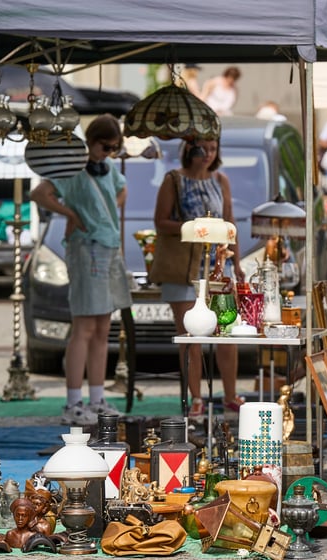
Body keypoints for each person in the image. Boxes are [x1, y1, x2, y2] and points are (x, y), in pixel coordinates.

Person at [30, 114, 131, 426]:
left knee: (102, 328)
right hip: (85, 249)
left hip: (107, 247)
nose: (109, 152)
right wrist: (70, 212)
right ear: (91, 141)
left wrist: (105, 211)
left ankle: (97, 398)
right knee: (83, 327)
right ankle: (73, 402)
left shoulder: (108, 168)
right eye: (105, 146)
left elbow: (122, 190)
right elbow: (39, 193)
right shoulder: (71, 167)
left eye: (114, 148)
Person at [153, 135, 245, 424]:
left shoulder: (221, 180)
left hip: (216, 265)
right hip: (184, 267)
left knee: (226, 331)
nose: (207, 153)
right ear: (189, 149)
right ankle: (196, 398)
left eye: (213, 147)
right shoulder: (174, 180)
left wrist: (237, 263)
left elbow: (230, 224)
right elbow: (160, 221)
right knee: (191, 335)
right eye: (202, 148)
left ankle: (229, 395)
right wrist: (196, 229)